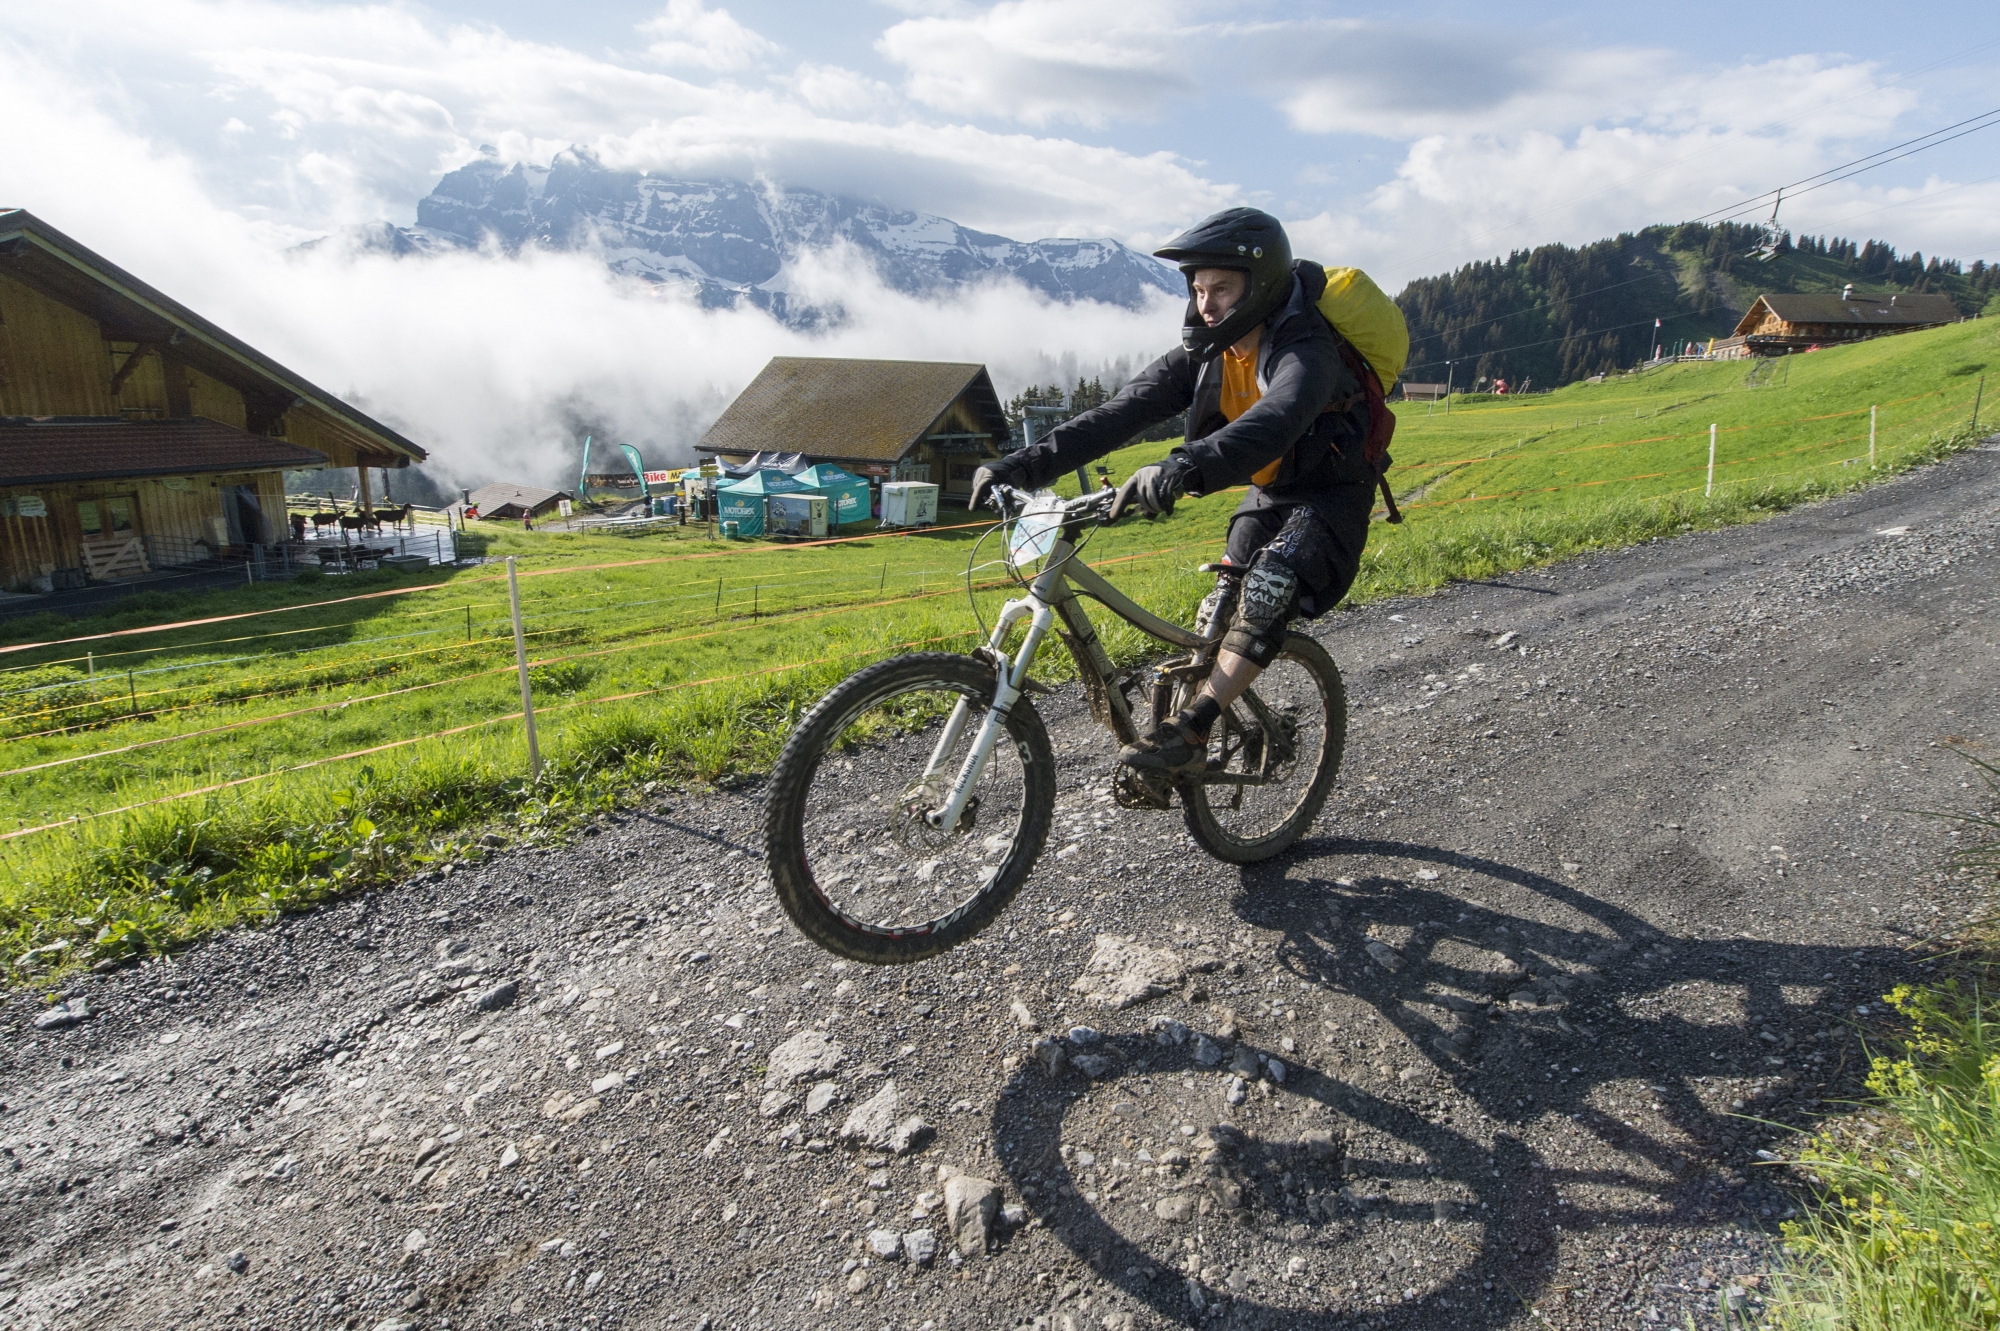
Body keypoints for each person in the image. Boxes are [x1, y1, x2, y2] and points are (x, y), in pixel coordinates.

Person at [969, 207, 1383, 776]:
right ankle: (1182, 735)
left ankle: (1190, 731)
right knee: (1217, 608)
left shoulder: (1307, 348)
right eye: (1198, 288)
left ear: (1261, 288)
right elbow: (1123, 412)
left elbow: (1279, 418)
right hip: (1268, 491)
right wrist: (1020, 465)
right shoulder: (1209, 350)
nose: (1205, 303)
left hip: (1330, 493)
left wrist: (1185, 465)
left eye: (1221, 288)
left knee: (1268, 592)